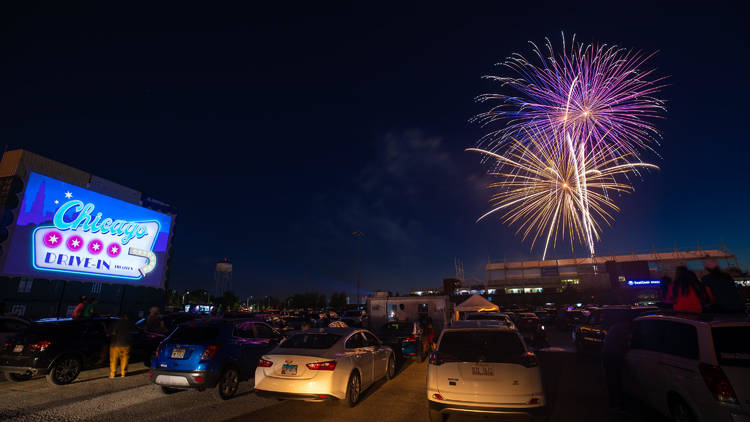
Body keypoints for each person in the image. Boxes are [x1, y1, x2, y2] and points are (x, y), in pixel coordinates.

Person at [601, 316, 632, 410]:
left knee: (611, 378)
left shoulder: (615, 327)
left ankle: (614, 400)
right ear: (626, 322)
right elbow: (627, 341)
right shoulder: (621, 329)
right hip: (612, 357)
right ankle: (616, 402)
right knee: (615, 379)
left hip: (608, 355)